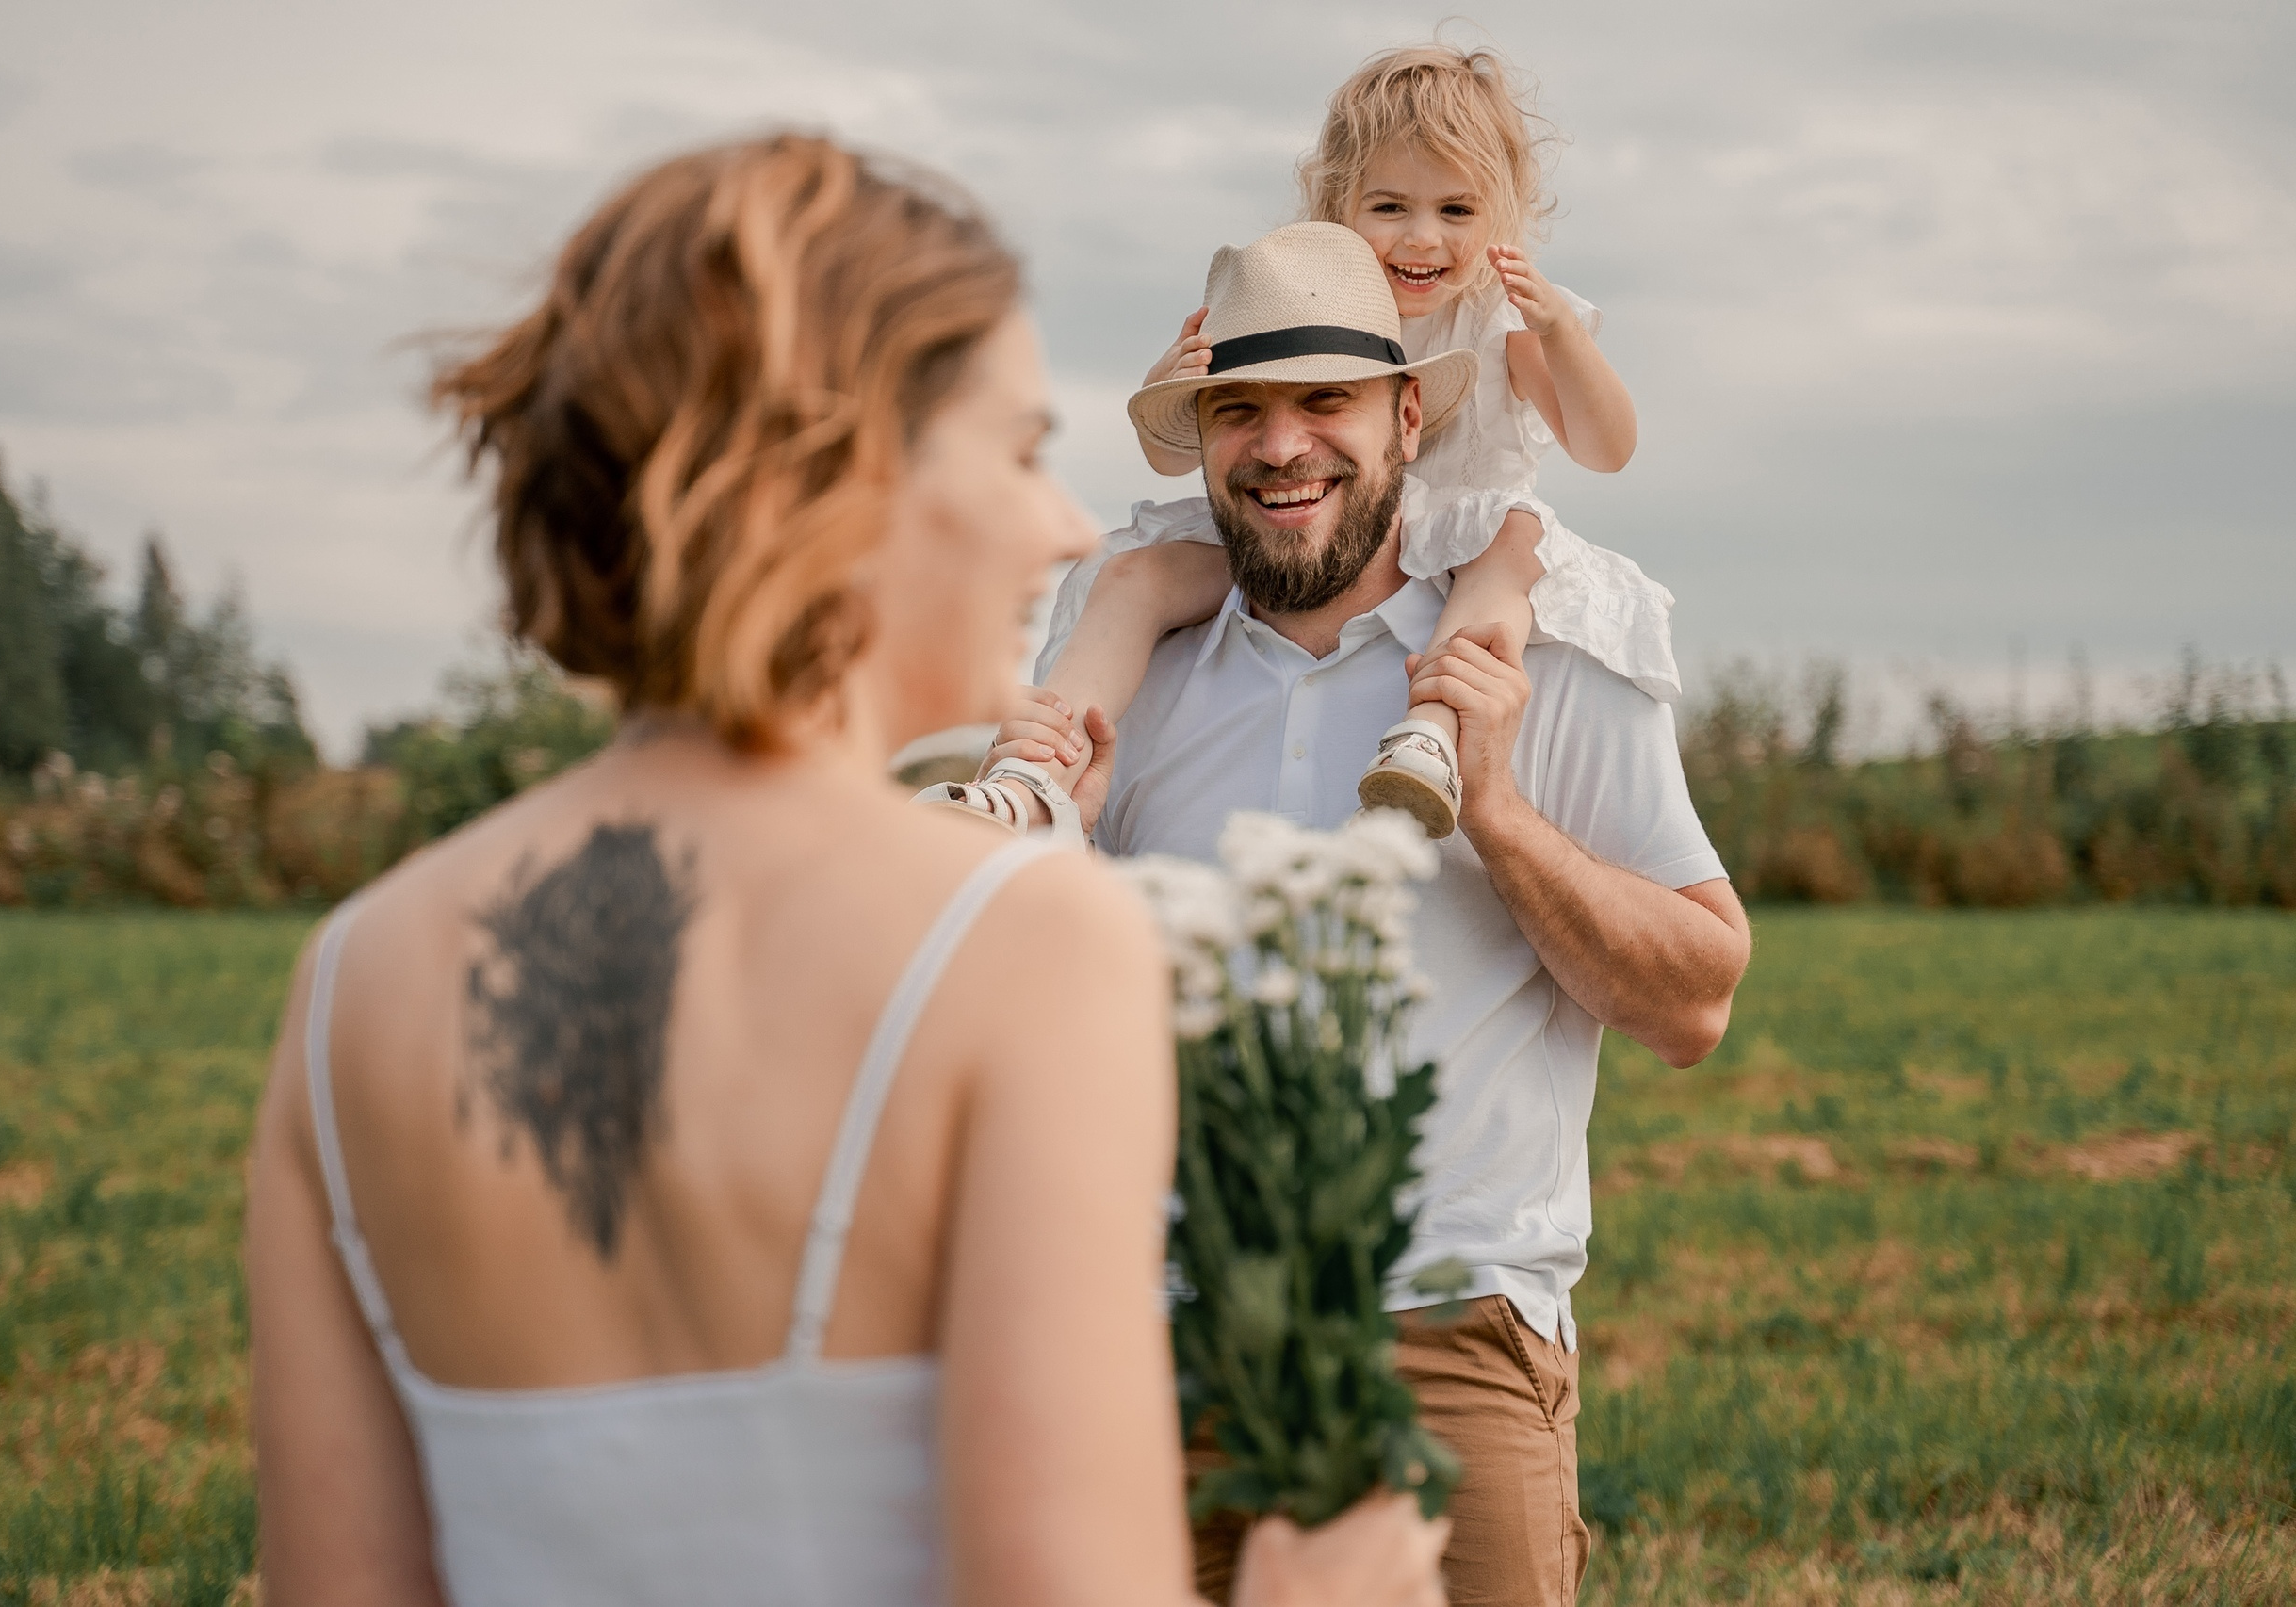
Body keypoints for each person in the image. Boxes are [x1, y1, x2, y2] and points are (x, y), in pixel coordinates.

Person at [243, 135, 1451, 1607]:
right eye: (1013, 452)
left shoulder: (351, 979)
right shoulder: (1023, 944)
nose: (1065, 524)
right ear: (844, 479)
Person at [989, 219, 1751, 1606]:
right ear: (1203, 435)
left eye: (1324, 400)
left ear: (1410, 413)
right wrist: (1058, 847)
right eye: (1241, 410)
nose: (1282, 446)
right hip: (1158, 1343)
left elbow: (1697, 1000)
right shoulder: (1123, 673)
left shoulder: (1547, 661)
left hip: (1447, 1338)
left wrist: (1503, 811)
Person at [923, 42, 1675, 846]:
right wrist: (1174, 377)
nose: (1423, 239)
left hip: (1459, 543)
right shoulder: (1293, 298)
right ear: (1338, 205)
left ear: (1500, 214)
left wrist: (1561, 334)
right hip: (1306, 526)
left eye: (1456, 211)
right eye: (1390, 208)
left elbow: (1607, 450)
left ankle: (1430, 734)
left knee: (1515, 543)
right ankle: (1033, 774)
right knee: (1135, 577)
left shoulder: (1504, 321)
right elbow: (1175, 454)